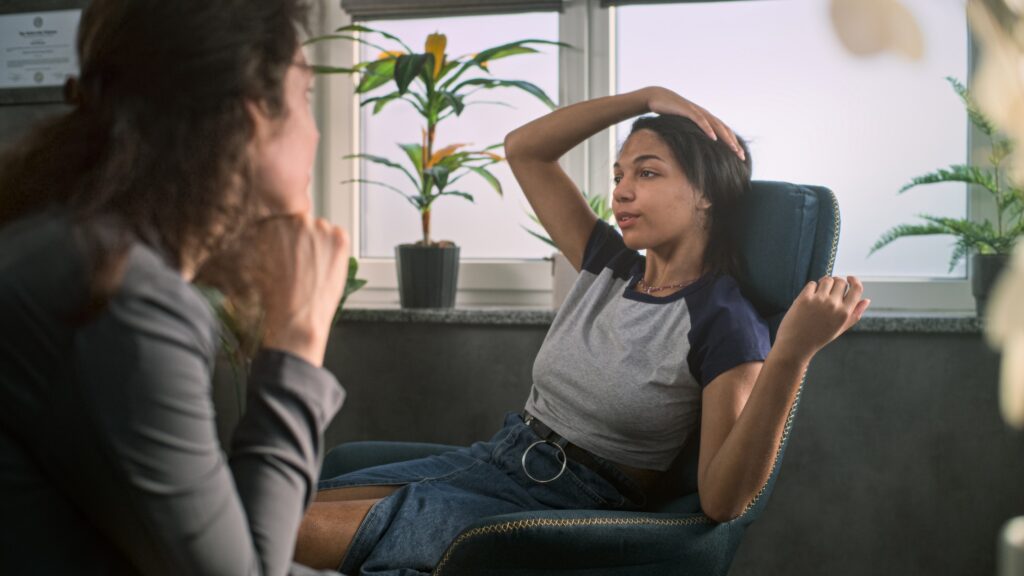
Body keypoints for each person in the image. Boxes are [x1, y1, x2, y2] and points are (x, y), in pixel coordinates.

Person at [295, 86, 871, 575]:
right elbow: (525, 150)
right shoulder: (610, 262)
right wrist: (642, 98)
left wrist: (791, 353)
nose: (621, 190)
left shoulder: (726, 321)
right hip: (498, 457)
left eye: (647, 173)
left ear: (705, 194)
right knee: (275, 514)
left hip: (561, 502)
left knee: (265, 536)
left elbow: (723, 501)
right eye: (618, 174)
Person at [0, 1, 351, 574]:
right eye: (306, 98)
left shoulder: (76, 243)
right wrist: (296, 343)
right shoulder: (120, 298)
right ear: (251, 118)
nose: (314, 133)